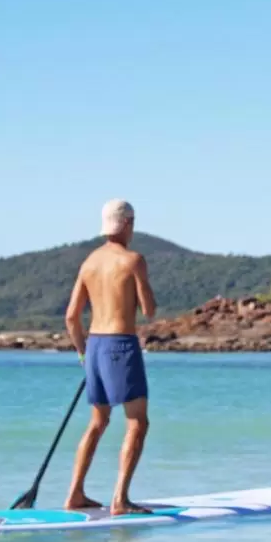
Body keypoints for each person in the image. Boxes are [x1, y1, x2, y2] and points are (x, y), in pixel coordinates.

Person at [63, 198, 157, 516]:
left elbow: (71, 318)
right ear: (128, 223)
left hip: (94, 347)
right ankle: (121, 498)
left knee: (98, 421)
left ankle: (75, 493)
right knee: (137, 423)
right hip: (121, 344)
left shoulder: (88, 263)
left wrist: (81, 353)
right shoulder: (133, 260)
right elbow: (149, 310)